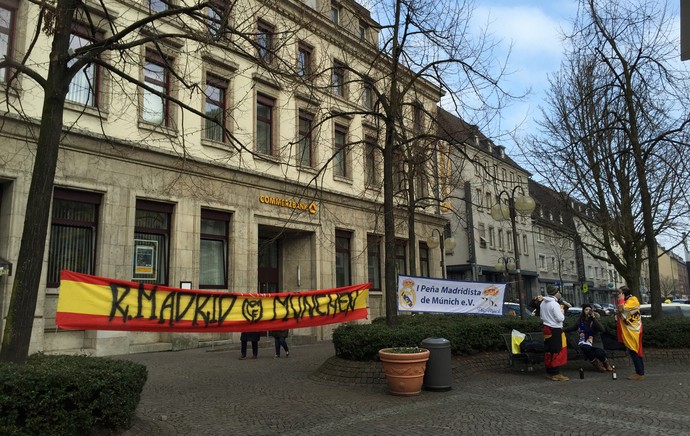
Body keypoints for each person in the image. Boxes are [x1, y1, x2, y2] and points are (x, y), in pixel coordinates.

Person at [564, 303, 614, 372]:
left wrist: (593, 319)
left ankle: (606, 363)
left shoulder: (595, 319)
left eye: (589, 310)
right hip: (585, 340)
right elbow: (574, 327)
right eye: (586, 310)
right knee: (585, 348)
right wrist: (562, 329)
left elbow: (602, 329)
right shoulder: (581, 320)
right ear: (583, 311)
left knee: (599, 353)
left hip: (596, 341)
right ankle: (596, 364)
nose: (588, 311)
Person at [540, 285, 569, 381]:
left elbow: (541, 316)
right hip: (555, 329)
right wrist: (562, 312)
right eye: (558, 292)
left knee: (549, 350)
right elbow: (560, 318)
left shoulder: (543, 303)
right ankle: (556, 373)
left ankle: (549, 370)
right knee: (556, 350)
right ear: (555, 293)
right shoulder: (554, 304)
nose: (560, 293)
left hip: (546, 328)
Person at [617, 286, 645, 380]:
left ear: (624, 293)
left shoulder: (633, 300)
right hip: (629, 331)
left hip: (634, 331)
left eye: (620, 293)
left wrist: (621, 300)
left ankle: (640, 374)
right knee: (634, 352)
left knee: (634, 352)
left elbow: (622, 309)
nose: (618, 295)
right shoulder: (627, 301)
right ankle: (640, 373)